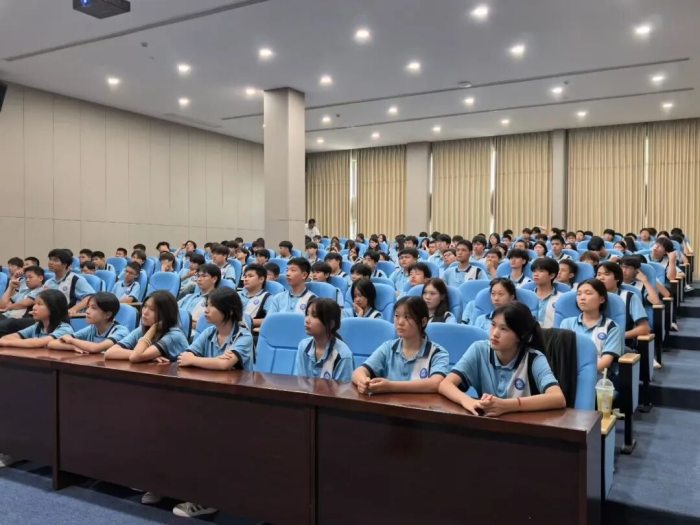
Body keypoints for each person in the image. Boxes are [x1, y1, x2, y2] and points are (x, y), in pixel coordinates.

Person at [439, 302, 566, 416]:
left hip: (525, 425)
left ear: (521, 335)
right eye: (493, 325)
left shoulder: (534, 358)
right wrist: (468, 401)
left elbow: (558, 398)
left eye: (504, 329)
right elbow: (445, 384)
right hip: (488, 423)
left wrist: (507, 405)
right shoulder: (479, 349)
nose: (495, 333)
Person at [352, 296, 450, 394]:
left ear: (423, 322)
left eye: (407, 317)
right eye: (397, 316)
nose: (400, 322)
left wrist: (390, 386)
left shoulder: (437, 353)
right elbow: (358, 372)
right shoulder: (388, 347)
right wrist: (363, 382)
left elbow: (436, 383)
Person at [104, 290, 188, 363]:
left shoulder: (174, 335)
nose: (145, 312)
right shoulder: (143, 329)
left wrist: (153, 329)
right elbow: (110, 353)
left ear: (166, 314)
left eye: (152, 309)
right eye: (145, 306)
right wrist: (149, 356)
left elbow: (135, 357)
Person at [559, 279, 623, 373]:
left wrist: (582, 374)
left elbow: (606, 362)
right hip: (568, 374)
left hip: (597, 376)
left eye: (588, 293)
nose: (582, 298)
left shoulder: (611, 327)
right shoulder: (566, 323)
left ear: (602, 299)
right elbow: (561, 354)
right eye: (579, 294)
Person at [47, 292, 130, 353]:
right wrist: (73, 347)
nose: (87, 311)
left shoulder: (120, 331)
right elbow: (52, 343)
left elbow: (96, 348)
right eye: (88, 307)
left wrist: (71, 341)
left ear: (107, 315)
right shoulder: (92, 328)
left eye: (93, 308)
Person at [295, 298, 354, 382]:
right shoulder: (303, 346)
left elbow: (343, 389)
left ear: (331, 324)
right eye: (307, 314)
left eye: (314, 316)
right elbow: (299, 382)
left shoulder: (343, 355)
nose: (307, 320)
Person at [596, 262, 651, 346]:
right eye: (598, 274)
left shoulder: (629, 297)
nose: (601, 278)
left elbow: (644, 328)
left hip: (622, 345)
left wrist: (618, 336)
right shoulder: (591, 297)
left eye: (606, 274)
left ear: (617, 278)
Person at [0, 289, 73, 348]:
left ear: (53, 308)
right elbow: (7, 338)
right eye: (35, 304)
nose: (34, 308)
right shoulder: (37, 326)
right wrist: (7, 341)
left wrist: (7, 343)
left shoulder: (64, 329)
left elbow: (37, 343)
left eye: (39, 304)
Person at [43, 248, 95, 316]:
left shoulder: (76, 279)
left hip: (69, 317)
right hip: (53, 315)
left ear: (65, 264)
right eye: (50, 259)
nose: (50, 263)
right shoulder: (48, 282)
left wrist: (74, 309)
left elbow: (91, 297)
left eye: (55, 260)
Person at [0, 265, 44, 336]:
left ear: (40, 278)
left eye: (30, 277)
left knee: (6, 324)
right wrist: (10, 287)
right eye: (26, 278)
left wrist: (8, 307)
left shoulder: (42, 290)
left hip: (20, 318)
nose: (27, 280)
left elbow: (25, 303)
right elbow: (2, 305)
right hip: (6, 315)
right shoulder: (23, 291)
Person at [178, 264, 221, 328]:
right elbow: (172, 309)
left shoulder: (215, 301)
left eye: (204, 276)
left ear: (214, 279)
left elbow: (206, 326)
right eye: (198, 276)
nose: (199, 279)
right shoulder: (189, 296)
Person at [239, 263, 272, 333]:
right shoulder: (237, 295)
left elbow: (270, 319)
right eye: (245, 276)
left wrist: (248, 321)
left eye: (250, 276)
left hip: (249, 332)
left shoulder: (267, 298)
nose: (246, 279)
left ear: (261, 279)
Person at [531, 258, 561, 328]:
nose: (535, 274)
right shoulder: (527, 297)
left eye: (541, 271)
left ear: (552, 275)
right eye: (534, 271)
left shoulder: (561, 298)